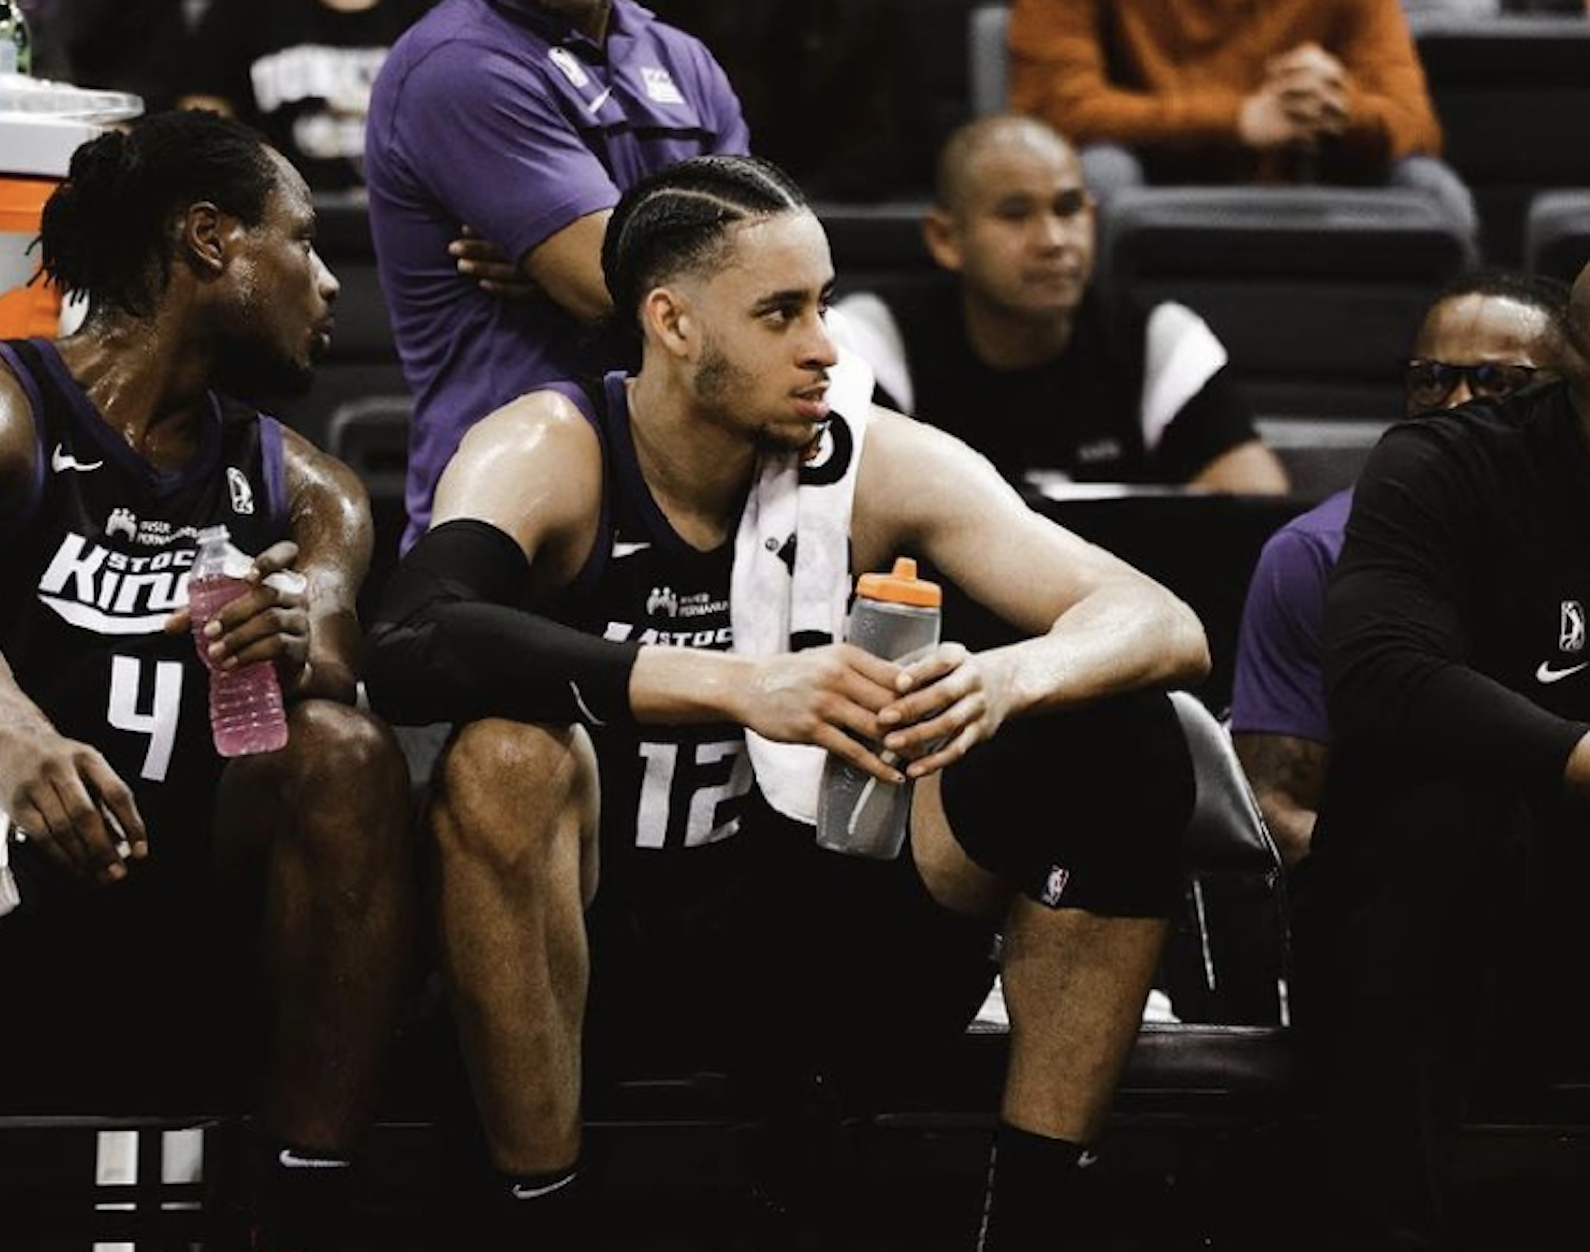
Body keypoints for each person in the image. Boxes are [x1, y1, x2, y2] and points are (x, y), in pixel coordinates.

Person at [367, 154, 1211, 1248]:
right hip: (596, 939)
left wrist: (1002, 680)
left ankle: (1034, 1207)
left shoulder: (875, 459)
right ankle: (544, 1207)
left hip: (814, 927)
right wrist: (741, 682)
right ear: (672, 324)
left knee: (1117, 731)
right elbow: (409, 637)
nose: (825, 344)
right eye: (781, 314)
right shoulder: (550, 449)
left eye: (822, 304)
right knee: (503, 761)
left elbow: (1161, 620)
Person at [0, 111, 414, 1251]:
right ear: (208, 240)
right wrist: (16, 742)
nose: (332, 285)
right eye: (303, 242)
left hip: (210, 904)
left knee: (344, 754)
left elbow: (344, 651)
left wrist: (299, 636)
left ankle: (309, 1200)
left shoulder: (311, 486)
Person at [1293, 259, 1590, 1249]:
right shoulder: (1446, 465)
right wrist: (1578, 758)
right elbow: (1380, 670)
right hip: (1465, 928)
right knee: (1445, 808)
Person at [363, 0, 750, 548]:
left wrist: (595, 246)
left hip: (683, 511)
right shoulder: (455, 62)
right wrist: (614, 261)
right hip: (514, 515)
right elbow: (606, 286)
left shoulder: (683, 60)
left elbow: (759, 270)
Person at [1229, 270, 1569, 864]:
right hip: (1402, 898)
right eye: (1432, 380)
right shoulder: (1312, 556)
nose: (1457, 405)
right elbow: (1271, 807)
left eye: (1499, 382)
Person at [829, 114, 1290, 494]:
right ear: (946, 238)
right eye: (1015, 215)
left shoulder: (1159, 340)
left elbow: (1254, 504)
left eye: (1068, 209)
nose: (1053, 241)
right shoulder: (871, 344)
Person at [1008, 0, 1480, 243]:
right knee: (1094, 178)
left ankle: (1441, 405)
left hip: (1306, 177)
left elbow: (1417, 123)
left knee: (1432, 190)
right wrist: (1237, 120)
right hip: (1155, 175)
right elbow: (1052, 111)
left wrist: (1338, 105)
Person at [176, 0, 425, 195]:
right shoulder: (245, 8)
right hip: (271, 216)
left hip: (405, 212)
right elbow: (202, 111)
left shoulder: (432, 12)